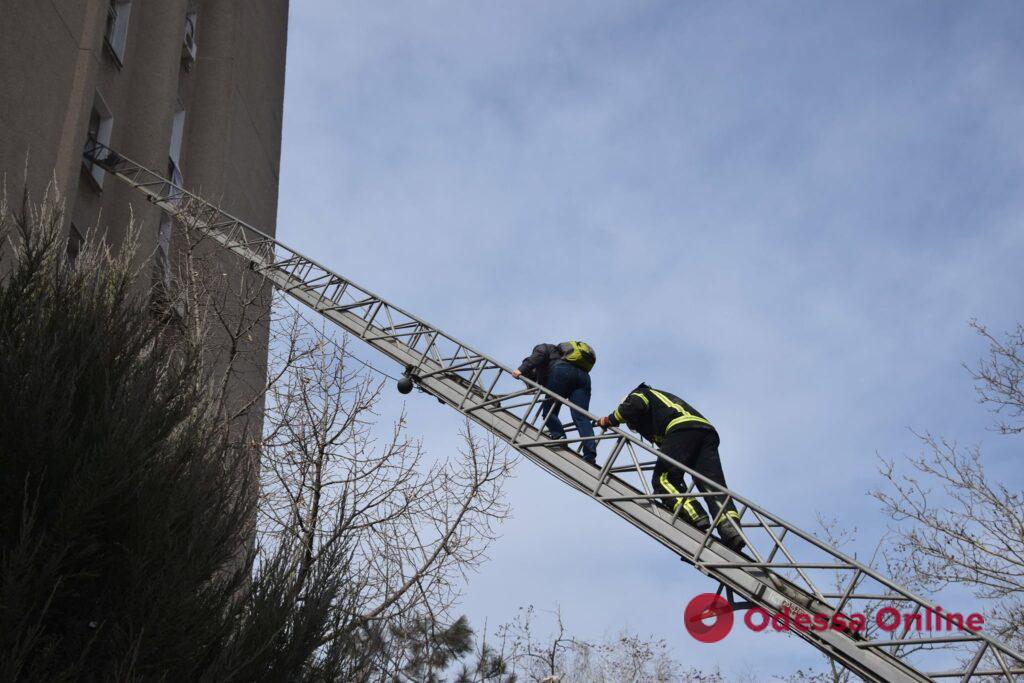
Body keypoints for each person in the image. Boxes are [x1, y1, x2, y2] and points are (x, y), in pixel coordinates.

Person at [597, 383, 744, 551]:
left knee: (663, 479)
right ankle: (730, 529)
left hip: (681, 428)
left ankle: (694, 515)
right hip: (704, 431)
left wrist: (610, 419)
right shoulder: (660, 404)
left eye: (632, 424)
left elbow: (634, 406)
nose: (633, 427)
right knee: (711, 484)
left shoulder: (639, 394)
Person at [512, 341, 598, 465]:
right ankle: (590, 454)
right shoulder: (560, 354)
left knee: (548, 412)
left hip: (562, 371)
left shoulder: (542, 348)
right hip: (584, 378)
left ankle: (559, 437)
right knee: (581, 416)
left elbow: (539, 355)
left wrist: (521, 369)